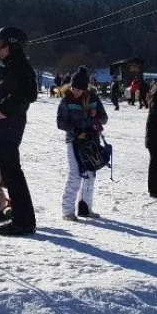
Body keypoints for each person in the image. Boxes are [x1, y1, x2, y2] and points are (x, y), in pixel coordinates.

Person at [0, 26, 38, 236]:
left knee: (13, 174)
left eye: (1, 44)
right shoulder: (8, 66)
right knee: (9, 173)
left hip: (9, 126)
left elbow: (29, 93)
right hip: (1, 127)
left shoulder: (21, 67)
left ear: (14, 46)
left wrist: (5, 108)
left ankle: (23, 221)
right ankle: (20, 216)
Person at [57, 66, 109, 220]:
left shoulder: (93, 98)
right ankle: (67, 211)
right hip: (74, 141)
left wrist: (96, 115)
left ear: (85, 89)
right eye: (73, 88)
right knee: (75, 174)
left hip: (91, 141)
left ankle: (85, 208)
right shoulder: (66, 100)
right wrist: (75, 130)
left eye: (78, 90)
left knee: (90, 174)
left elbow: (104, 118)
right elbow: (60, 122)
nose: (75, 91)